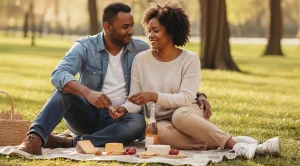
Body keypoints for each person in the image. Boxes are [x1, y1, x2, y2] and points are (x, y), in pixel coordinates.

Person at [17, 2, 210, 155]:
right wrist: (88, 93)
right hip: (86, 115)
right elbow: (58, 74)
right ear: (108, 27)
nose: (131, 31)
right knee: (62, 92)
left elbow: (170, 69)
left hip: (120, 120)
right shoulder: (85, 47)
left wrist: (198, 95)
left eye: (132, 26)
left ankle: (70, 142)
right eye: (125, 27)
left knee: (138, 123)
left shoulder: (140, 50)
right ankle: (34, 139)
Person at [117, 2, 280, 160]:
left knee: (179, 116)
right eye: (149, 30)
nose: (150, 35)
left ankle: (234, 145)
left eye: (156, 30)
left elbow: (186, 98)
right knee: (155, 133)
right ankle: (237, 144)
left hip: (187, 111)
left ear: (172, 32)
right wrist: (123, 109)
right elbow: (136, 100)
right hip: (161, 121)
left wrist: (154, 96)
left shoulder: (190, 59)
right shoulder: (141, 60)